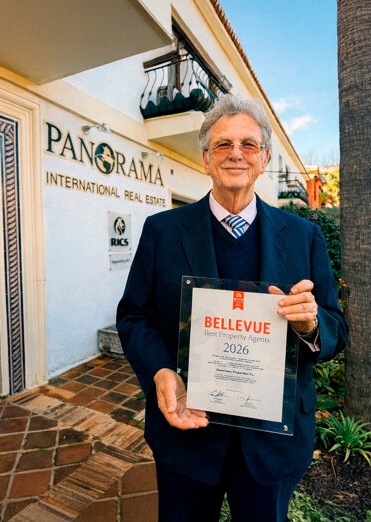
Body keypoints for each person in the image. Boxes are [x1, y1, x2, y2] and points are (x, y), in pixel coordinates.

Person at [116, 94, 348, 521]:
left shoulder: (303, 237)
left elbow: (335, 325)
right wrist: (159, 370)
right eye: (223, 144)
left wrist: (311, 324)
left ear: (263, 161)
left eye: (248, 145)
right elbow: (134, 316)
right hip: (187, 434)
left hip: (270, 444)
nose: (235, 154)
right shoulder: (162, 231)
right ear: (205, 159)